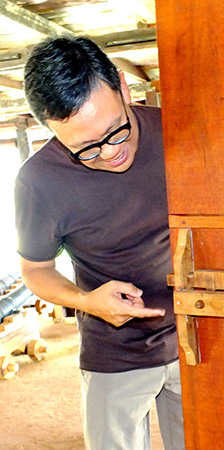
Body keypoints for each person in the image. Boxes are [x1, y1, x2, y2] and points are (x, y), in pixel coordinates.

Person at [14, 36, 185, 450]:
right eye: (85, 149)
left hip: (195, 337)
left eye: (115, 131)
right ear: (51, 130)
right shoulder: (39, 182)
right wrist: (88, 302)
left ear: (123, 87)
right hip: (114, 352)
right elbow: (35, 269)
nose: (109, 153)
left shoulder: (178, 130)